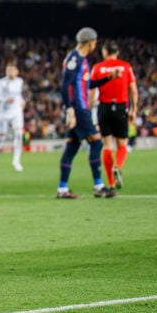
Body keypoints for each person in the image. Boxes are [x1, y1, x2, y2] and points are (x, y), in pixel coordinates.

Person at [57, 27, 122, 199]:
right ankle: (99, 186)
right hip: (79, 108)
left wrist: (109, 78)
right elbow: (65, 85)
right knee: (96, 143)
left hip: (79, 107)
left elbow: (87, 84)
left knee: (72, 146)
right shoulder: (75, 58)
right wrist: (70, 109)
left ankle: (62, 189)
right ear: (91, 42)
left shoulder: (83, 60)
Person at [89, 41, 138, 190]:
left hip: (103, 108)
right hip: (120, 107)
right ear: (117, 52)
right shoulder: (125, 66)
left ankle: (110, 182)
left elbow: (91, 91)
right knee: (122, 144)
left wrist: (90, 108)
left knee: (107, 146)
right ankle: (117, 165)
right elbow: (133, 90)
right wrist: (134, 109)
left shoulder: (97, 68)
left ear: (105, 52)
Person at [0, 63, 26, 172]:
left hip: (16, 111)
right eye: (8, 70)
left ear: (17, 71)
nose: (10, 72)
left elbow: (18, 95)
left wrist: (22, 102)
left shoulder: (20, 81)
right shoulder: (1, 82)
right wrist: (5, 100)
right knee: (1, 138)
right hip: (4, 113)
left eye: (12, 70)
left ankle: (16, 161)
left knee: (19, 135)